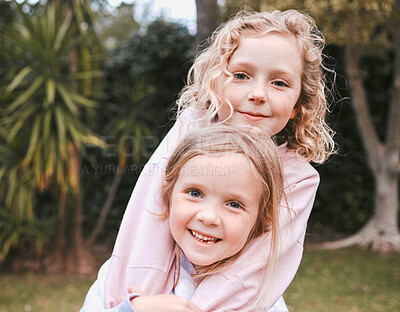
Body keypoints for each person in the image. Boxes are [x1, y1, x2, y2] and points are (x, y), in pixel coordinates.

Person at [82, 8, 335, 312]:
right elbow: (147, 214)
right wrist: (136, 303)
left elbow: (258, 266)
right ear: (217, 82)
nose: (257, 94)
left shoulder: (296, 175)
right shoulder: (191, 128)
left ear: (298, 104)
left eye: (279, 83)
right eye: (240, 76)